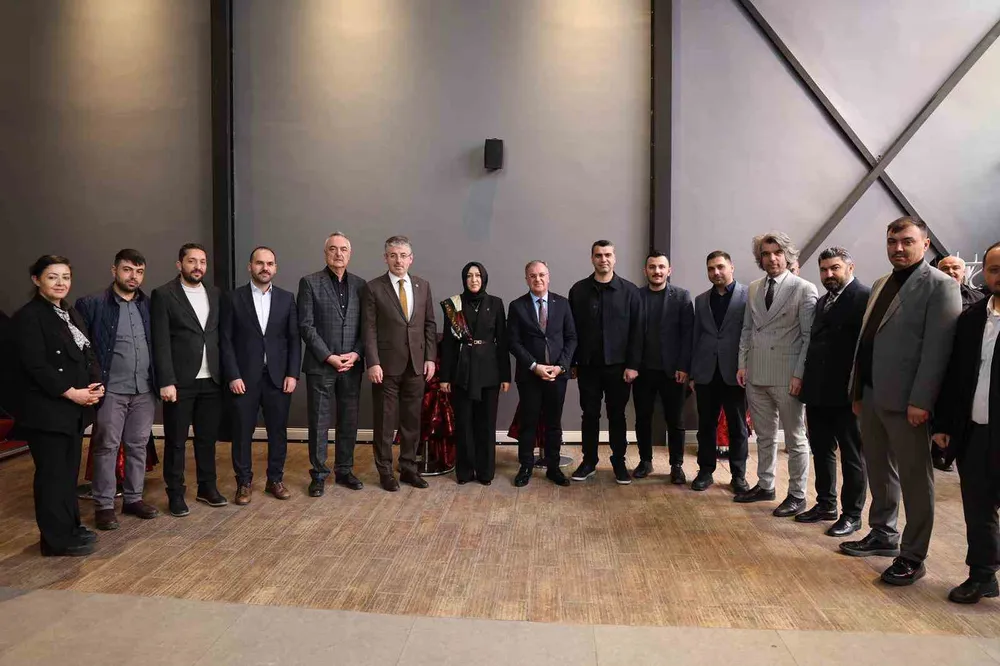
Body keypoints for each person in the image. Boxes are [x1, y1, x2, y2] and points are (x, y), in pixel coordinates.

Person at [841, 217, 962, 586]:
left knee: (915, 479)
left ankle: (913, 555)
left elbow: (938, 351)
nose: (898, 248)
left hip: (909, 402)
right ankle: (883, 532)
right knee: (879, 470)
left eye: (907, 241)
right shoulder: (882, 283)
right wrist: (857, 391)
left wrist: (922, 401)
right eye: (892, 241)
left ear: (925, 244)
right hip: (872, 395)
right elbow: (866, 341)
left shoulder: (940, 285)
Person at [14, 255, 103, 556]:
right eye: (52, 277)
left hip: (71, 411)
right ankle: (55, 541)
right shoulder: (29, 317)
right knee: (52, 478)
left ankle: (70, 528)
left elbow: (88, 352)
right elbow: (36, 366)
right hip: (47, 412)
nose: (60, 283)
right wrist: (71, 392)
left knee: (67, 476)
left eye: (65, 277)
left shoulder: (69, 311)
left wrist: (96, 384)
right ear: (36, 279)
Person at [932, 241, 1000, 604]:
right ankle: (982, 575)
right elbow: (954, 376)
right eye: (994, 269)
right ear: (983, 273)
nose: (999, 275)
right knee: (977, 506)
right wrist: (944, 424)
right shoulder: (971, 318)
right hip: (974, 430)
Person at [75, 249, 159, 530]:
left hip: (144, 388)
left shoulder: (149, 305)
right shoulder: (92, 304)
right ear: (114, 271)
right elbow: (83, 348)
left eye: (139, 271)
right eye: (127, 270)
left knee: (137, 445)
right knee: (107, 446)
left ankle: (133, 499)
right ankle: (104, 505)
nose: (133, 276)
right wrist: (93, 381)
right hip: (110, 389)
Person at [736, 232, 818, 516]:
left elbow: (808, 337)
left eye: (777, 253)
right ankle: (765, 484)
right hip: (756, 373)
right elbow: (747, 329)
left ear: (788, 255)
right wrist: (743, 364)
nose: (771, 258)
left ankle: (797, 494)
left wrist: (800, 375)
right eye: (766, 254)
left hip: (787, 376)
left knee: (795, 438)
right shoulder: (754, 288)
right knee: (764, 436)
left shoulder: (804, 289)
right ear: (760, 258)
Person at [796, 247, 870, 537]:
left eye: (834, 268)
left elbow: (866, 349)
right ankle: (826, 504)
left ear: (850, 267)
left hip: (847, 393)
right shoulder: (823, 301)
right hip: (817, 390)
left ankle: (852, 515)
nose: (828, 274)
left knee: (852, 456)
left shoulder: (864, 297)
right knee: (821, 450)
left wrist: (861, 392)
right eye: (824, 269)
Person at [151, 243, 227, 517]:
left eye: (202, 262)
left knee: (207, 439)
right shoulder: (163, 294)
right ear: (179, 264)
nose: (198, 266)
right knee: (176, 441)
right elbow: (160, 341)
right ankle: (175, 493)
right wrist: (166, 380)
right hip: (180, 381)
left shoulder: (215, 294)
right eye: (192, 261)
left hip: (212, 379)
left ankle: (207, 487)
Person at [220, 247, 300, 505]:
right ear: (250, 266)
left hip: (278, 378)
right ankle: (243, 483)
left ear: (275, 268)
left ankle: (275, 479)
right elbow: (225, 341)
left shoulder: (287, 299)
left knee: (278, 432)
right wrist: (232, 375)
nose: (265, 268)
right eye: (260, 263)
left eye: (270, 263)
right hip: (243, 379)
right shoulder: (233, 298)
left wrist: (293, 374)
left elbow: (294, 339)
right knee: (242, 433)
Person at [362, 235, 437, 491]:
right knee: (385, 422)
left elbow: (429, 324)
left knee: (411, 422)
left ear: (411, 259)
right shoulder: (373, 288)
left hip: (416, 365)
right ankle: (385, 472)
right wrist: (372, 362)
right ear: (385, 258)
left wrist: (430, 358)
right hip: (385, 367)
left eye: (403, 255)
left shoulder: (422, 286)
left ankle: (408, 469)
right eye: (393, 255)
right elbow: (369, 329)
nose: (398, 260)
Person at [567, 240, 643, 485]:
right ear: (592, 258)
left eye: (608, 255)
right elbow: (571, 330)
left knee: (617, 415)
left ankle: (619, 462)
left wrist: (633, 365)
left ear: (614, 258)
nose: (603, 259)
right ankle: (589, 461)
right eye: (598, 255)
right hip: (587, 366)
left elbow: (637, 332)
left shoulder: (630, 291)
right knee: (589, 415)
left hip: (619, 367)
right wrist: (572, 362)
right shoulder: (578, 290)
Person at [298, 232, 367, 496]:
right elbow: (306, 326)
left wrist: (356, 354)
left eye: (343, 249)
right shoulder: (310, 283)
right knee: (319, 422)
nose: (338, 254)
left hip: (351, 365)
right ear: (325, 252)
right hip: (321, 365)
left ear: (350, 254)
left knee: (349, 420)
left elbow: (366, 327)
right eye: (333, 249)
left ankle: (344, 470)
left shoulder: (361, 285)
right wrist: (328, 356)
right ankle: (318, 475)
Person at [439, 262, 510, 485]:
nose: (474, 280)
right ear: (464, 279)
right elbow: (448, 345)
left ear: (484, 278)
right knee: (464, 424)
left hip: (489, 372)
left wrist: (505, 376)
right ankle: (465, 472)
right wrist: (445, 377)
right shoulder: (454, 305)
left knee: (486, 424)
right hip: (462, 372)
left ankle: (485, 472)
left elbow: (503, 342)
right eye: (469, 276)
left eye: (478, 275)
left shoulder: (496, 303)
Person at [508, 260, 576, 487]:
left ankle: (553, 468)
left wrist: (561, 366)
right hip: (530, 376)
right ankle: (526, 467)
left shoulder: (563, 304)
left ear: (548, 277)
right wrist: (534, 366)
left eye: (541, 275)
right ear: (526, 279)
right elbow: (513, 342)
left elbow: (571, 338)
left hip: (557, 375)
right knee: (528, 422)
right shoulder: (517, 306)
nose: (538, 279)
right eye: (533, 276)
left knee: (553, 423)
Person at [690, 251, 750, 493]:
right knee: (705, 426)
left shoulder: (748, 295)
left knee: (738, 427)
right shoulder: (701, 300)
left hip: (735, 373)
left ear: (731, 267)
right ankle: (705, 472)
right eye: (711, 268)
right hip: (706, 373)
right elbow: (696, 337)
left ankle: (738, 475)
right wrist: (693, 373)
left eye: (720, 267)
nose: (715, 272)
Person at [633, 251, 693, 484]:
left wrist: (684, 366)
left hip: (673, 371)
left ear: (669, 270)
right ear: (645, 271)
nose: (657, 271)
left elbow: (688, 335)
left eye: (661, 267)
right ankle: (645, 461)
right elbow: (631, 335)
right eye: (652, 267)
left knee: (675, 421)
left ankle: (676, 465)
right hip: (643, 370)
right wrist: (632, 365)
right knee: (642, 419)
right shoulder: (636, 296)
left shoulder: (682, 296)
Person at [933, 255, 986, 471]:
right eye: (945, 268)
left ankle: (945, 451)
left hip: (963, 362)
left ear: (964, 272)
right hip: (936, 359)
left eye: (955, 268)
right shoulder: (930, 296)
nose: (951, 272)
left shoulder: (978, 299)